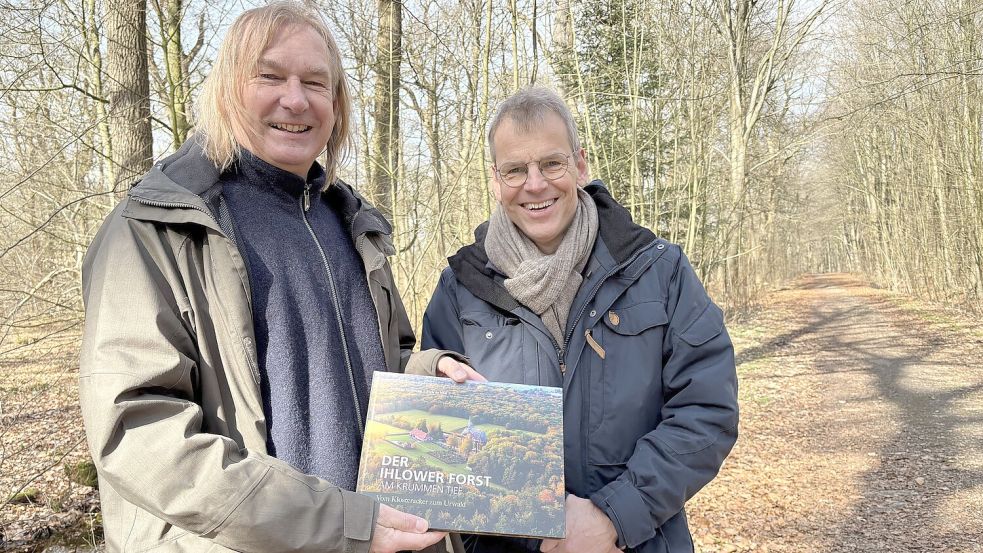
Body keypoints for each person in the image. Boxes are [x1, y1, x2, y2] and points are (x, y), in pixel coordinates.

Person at [78, 2, 478, 551]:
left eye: (316, 82)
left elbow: (383, 357)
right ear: (227, 91)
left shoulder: (350, 223)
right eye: (269, 76)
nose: (295, 99)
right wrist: (331, 522)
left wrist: (431, 373)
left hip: (384, 536)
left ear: (336, 105)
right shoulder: (157, 229)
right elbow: (140, 430)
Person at [422, 87, 739, 553]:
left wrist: (616, 515)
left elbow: (706, 410)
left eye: (551, 164)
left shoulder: (657, 270)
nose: (535, 184)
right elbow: (440, 431)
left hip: (640, 541)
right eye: (515, 170)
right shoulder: (460, 290)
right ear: (495, 180)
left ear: (580, 165)